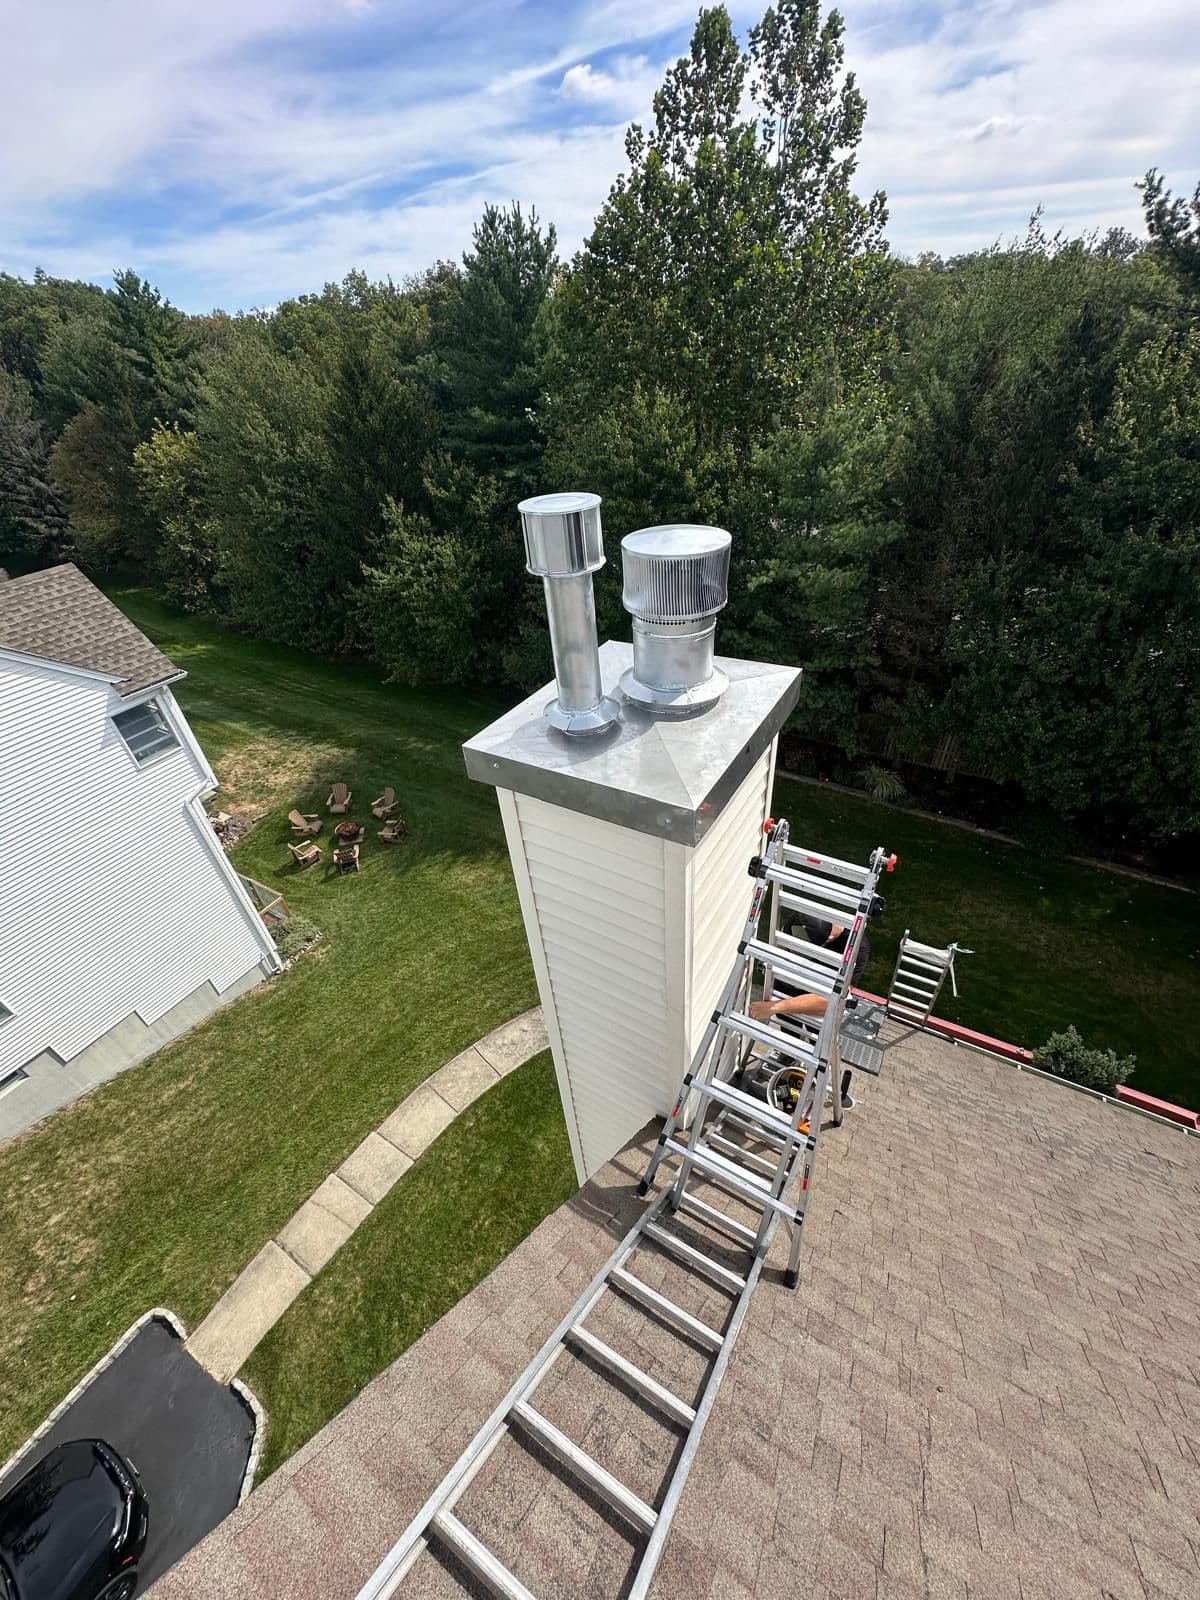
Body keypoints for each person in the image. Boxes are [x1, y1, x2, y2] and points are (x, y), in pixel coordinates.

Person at [748, 914, 871, 1024]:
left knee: (814, 1039)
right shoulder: (800, 920)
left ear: (828, 939)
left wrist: (774, 1007)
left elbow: (834, 1000)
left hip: (818, 999)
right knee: (787, 1026)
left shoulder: (856, 949)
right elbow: (782, 949)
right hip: (789, 989)